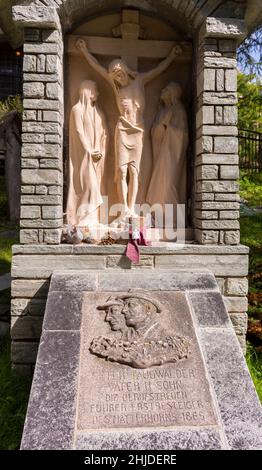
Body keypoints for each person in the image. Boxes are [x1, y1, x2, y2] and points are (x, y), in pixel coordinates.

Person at [76, 39, 182, 218]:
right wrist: (84, 50)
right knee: (122, 171)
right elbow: (97, 68)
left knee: (134, 172)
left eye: (120, 73)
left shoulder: (139, 81)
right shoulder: (116, 87)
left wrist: (172, 56)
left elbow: (158, 69)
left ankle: (131, 208)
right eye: (115, 76)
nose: (118, 78)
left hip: (138, 131)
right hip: (123, 130)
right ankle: (124, 209)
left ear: (125, 70)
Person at [66, 80, 108, 227]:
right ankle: (83, 220)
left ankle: (92, 220)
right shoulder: (77, 109)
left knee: (96, 185)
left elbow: (103, 132)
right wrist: (89, 150)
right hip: (83, 155)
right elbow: (78, 132)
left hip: (96, 156)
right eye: (95, 90)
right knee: (89, 185)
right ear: (88, 91)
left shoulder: (97, 111)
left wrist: (100, 149)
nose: (97, 93)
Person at [146, 82, 188, 227]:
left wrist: (165, 127)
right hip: (162, 154)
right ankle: (160, 218)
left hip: (171, 154)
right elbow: (155, 131)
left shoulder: (178, 110)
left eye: (165, 90)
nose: (162, 91)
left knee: (169, 184)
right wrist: (159, 128)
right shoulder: (163, 111)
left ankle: (175, 220)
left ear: (172, 94)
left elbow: (181, 134)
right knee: (159, 184)